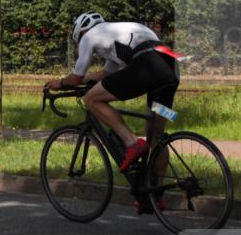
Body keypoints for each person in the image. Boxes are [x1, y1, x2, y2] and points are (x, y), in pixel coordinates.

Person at [44, 13, 183, 211]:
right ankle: (156, 195)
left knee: (91, 99)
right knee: (156, 134)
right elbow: (103, 74)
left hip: (147, 65)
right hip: (170, 68)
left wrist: (59, 83)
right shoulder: (117, 33)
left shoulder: (89, 36)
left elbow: (76, 76)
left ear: (80, 33)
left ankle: (132, 143)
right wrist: (83, 81)